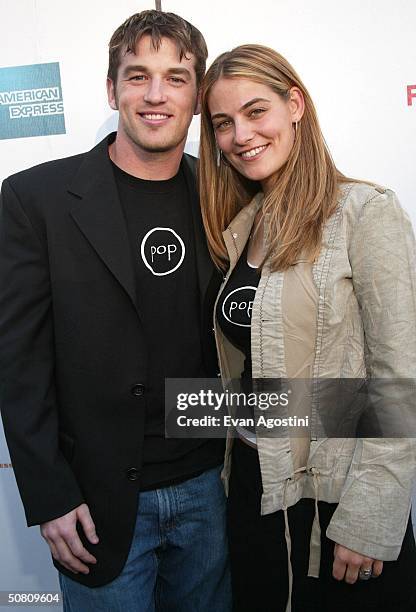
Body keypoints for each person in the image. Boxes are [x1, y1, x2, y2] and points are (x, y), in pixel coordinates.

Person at [0, 10, 230, 612]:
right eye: (137, 76)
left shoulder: (226, 198)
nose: (156, 96)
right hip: (96, 505)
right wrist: (48, 493)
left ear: (199, 96)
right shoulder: (35, 199)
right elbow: (17, 362)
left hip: (212, 491)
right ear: (112, 89)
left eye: (176, 78)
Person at [198, 44, 416, 612]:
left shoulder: (364, 212)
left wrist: (369, 515)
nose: (240, 134)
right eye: (224, 123)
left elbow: (402, 379)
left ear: (295, 104)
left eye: (255, 111)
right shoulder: (241, 228)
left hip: (331, 499)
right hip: (250, 488)